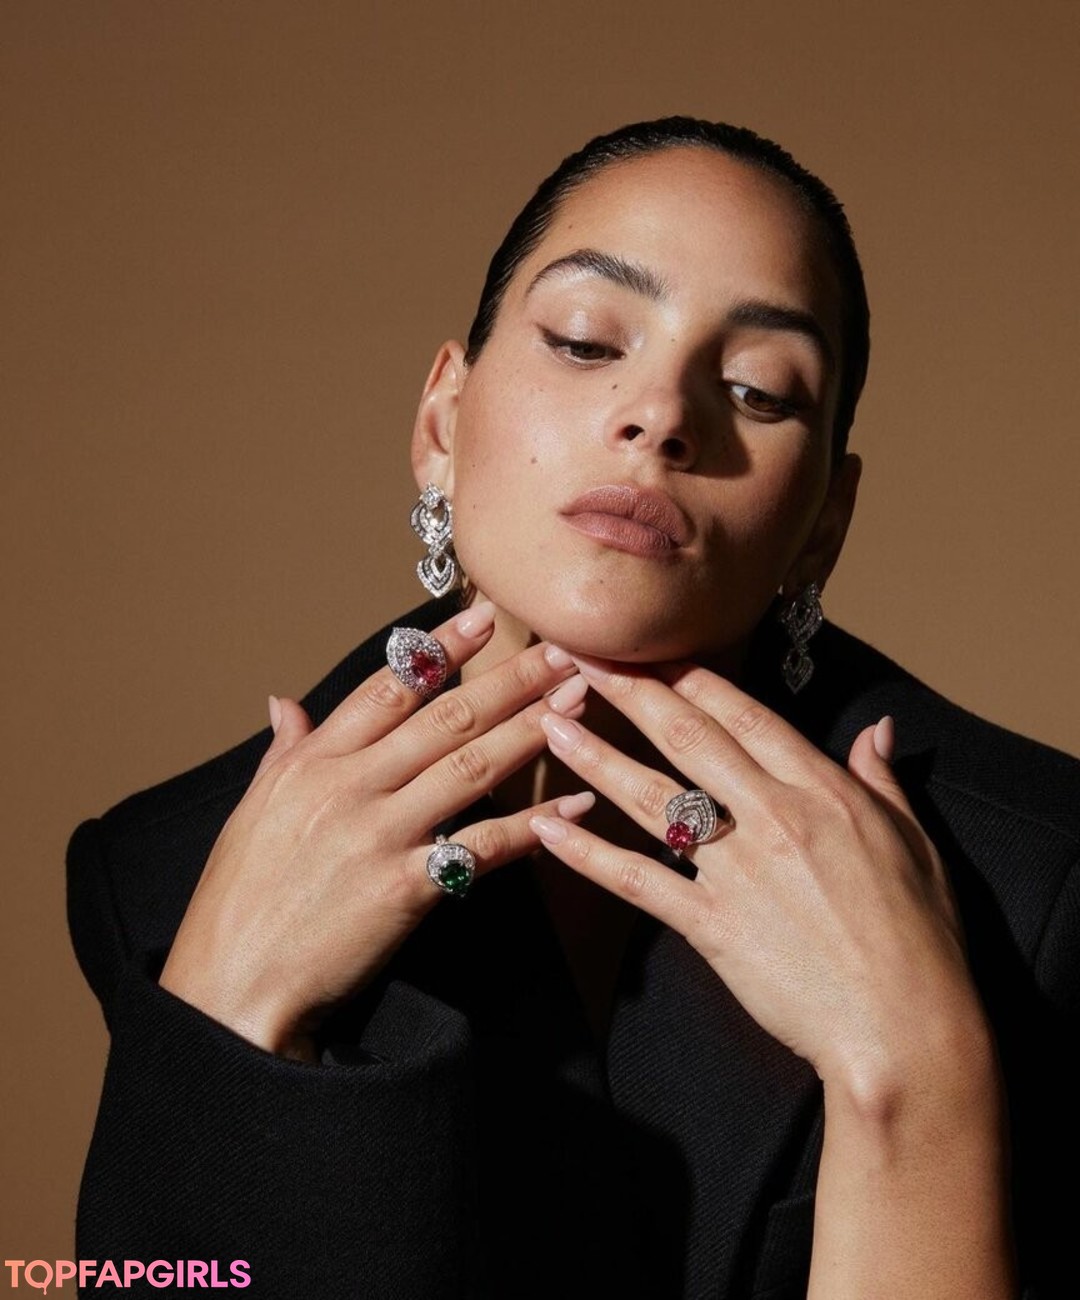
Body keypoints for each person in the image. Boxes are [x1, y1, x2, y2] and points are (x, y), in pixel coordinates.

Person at [68, 118, 1078, 1299]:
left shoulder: (1035, 885)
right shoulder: (167, 873)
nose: (662, 416)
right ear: (443, 425)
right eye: (587, 341)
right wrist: (224, 1021)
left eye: (758, 389)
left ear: (824, 524)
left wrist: (915, 1073)